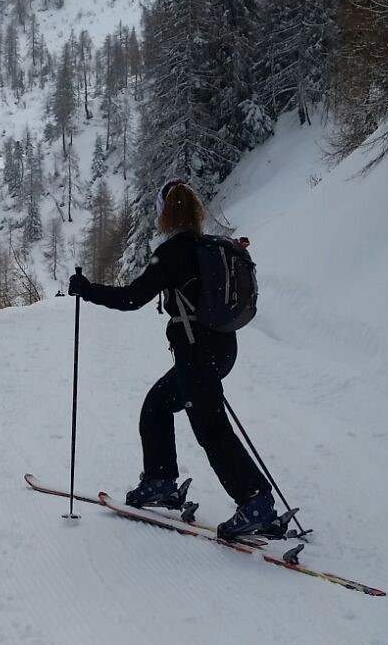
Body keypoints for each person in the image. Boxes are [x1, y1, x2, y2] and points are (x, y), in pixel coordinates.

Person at [68, 178, 276, 539]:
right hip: (220, 349)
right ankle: (160, 481)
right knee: (157, 406)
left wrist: (86, 290)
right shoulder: (207, 246)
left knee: (210, 428)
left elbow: (133, 298)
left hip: (197, 352)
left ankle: (255, 500)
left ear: (163, 213)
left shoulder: (174, 252)